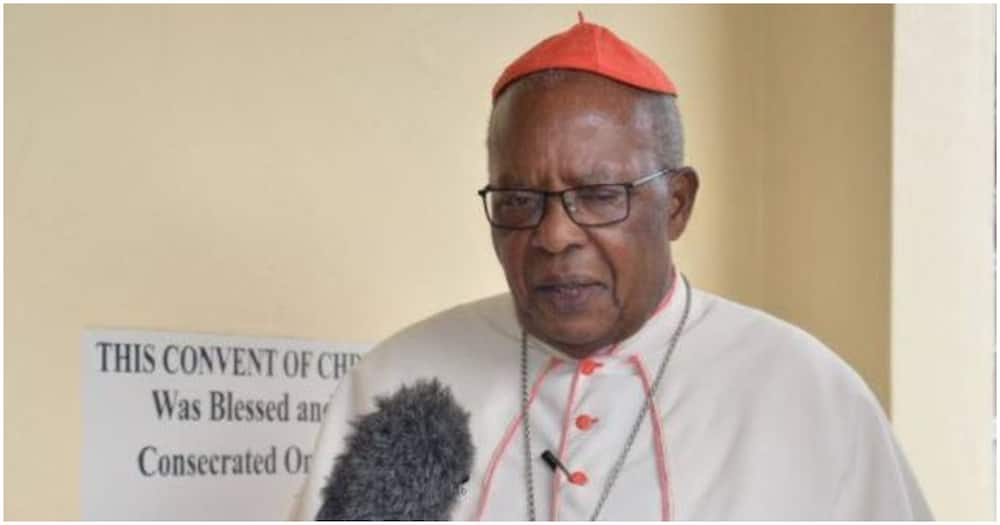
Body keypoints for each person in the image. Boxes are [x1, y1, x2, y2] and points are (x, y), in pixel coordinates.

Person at [292, 16, 932, 521]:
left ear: (675, 204)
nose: (554, 236)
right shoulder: (399, 380)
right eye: (519, 200)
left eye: (599, 196)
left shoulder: (806, 394)